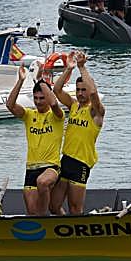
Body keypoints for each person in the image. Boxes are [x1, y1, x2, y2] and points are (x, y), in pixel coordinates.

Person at [6, 65, 65, 215]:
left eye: (41, 98)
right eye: (36, 98)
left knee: (42, 182)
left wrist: (39, 80)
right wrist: (21, 80)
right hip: (31, 169)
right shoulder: (28, 115)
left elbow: (53, 103)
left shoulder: (56, 116)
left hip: (51, 167)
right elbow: (10, 105)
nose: (38, 102)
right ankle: (45, 218)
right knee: (32, 213)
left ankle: (44, 217)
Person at [51, 51, 104, 215]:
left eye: (84, 90)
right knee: (53, 206)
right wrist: (69, 68)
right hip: (65, 160)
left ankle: (75, 233)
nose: (81, 93)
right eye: (78, 90)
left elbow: (94, 94)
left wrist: (82, 67)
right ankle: (63, 226)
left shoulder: (96, 112)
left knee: (75, 208)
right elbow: (57, 90)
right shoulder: (73, 106)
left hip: (81, 163)